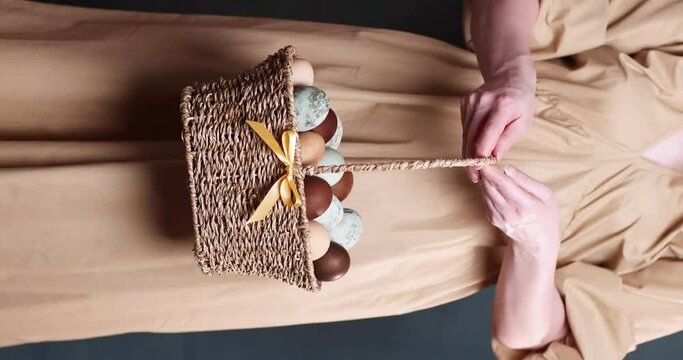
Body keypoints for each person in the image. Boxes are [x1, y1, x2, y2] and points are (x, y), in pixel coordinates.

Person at [0, 1, 681, 358]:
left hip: (359, 243)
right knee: (77, 83)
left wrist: (534, 248)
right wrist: (511, 70)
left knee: (90, 238)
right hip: (357, 94)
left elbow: (546, 348)